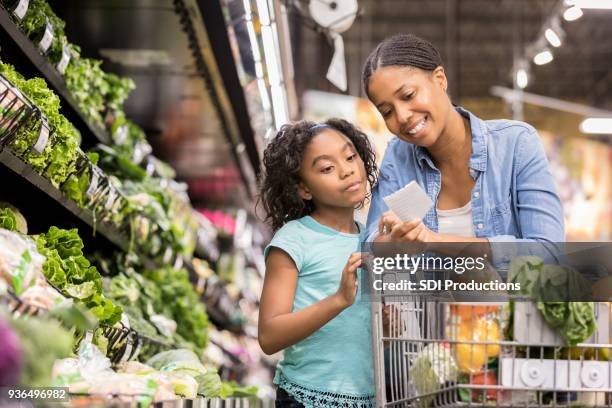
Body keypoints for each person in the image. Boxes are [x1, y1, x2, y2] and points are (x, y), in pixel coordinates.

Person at [362, 34, 565, 268]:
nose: (402, 116)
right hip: (432, 306)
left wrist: (434, 240)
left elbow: (549, 252)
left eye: (408, 95)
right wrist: (389, 244)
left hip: (512, 304)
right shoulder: (399, 158)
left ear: (439, 79)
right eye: (387, 112)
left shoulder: (516, 144)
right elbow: (371, 246)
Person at [258, 119, 378, 407]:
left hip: (367, 398)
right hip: (306, 397)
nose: (347, 170)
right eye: (327, 168)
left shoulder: (370, 237)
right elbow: (269, 336)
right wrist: (338, 300)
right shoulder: (294, 239)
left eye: (350, 157)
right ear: (304, 189)